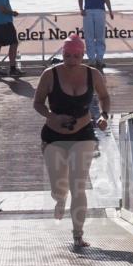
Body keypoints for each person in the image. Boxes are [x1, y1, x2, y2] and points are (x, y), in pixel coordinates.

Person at [33, 34, 111, 249]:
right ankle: (59, 199)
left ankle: (78, 235)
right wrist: (53, 116)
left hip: (83, 133)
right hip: (54, 136)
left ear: (83, 55)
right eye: (67, 55)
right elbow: (38, 103)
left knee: (79, 186)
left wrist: (104, 115)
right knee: (60, 187)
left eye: (76, 56)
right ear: (62, 53)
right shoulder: (50, 74)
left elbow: (104, 97)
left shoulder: (92, 74)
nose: (72, 60)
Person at [77, 0, 114, 69]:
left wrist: (110, 10)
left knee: (100, 36)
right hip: (88, 11)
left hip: (100, 10)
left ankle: (100, 59)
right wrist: (81, 9)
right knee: (89, 36)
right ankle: (92, 60)